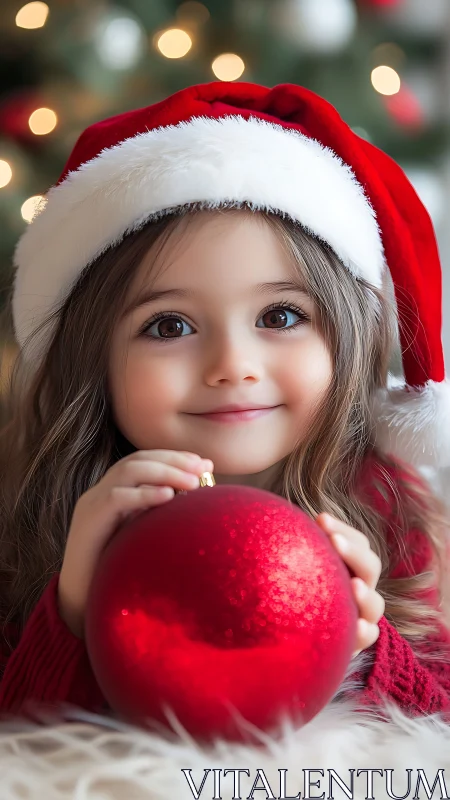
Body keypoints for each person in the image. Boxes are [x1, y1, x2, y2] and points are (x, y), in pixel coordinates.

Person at [0, 81, 449, 722]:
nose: (233, 367)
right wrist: (73, 608)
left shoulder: (391, 513)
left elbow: (434, 742)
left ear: (344, 337)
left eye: (280, 315)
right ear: (92, 358)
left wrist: (370, 652)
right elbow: (22, 758)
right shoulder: (35, 518)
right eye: (169, 326)